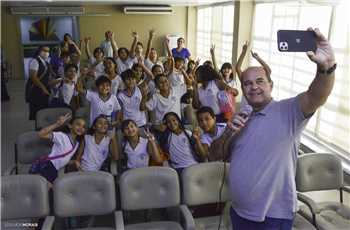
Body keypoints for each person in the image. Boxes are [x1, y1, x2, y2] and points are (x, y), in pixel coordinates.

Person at [228, 28, 336, 230]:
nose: (254, 87)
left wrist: (327, 68)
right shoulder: (240, 118)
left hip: (273, 216)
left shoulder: (289, 111)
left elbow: (316, 95)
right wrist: (228, 132)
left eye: (260, 81)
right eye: (247, 83)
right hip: (239, 211)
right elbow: (216, 154)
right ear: (242, 90)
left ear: (271, 85)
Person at [32, 113, 85, 184]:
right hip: (45, 167)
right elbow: (41, 134)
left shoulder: (77, 144)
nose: (81, 128)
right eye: (78, 124)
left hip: (53, 171)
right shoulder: (62, 136)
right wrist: (57, 124)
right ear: (70, 125)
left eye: (83, 126)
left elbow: (62, 160)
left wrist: (74, 162)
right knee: (48, 192)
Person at [25, 46, 52, 120]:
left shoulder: (46, 62)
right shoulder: (35, 61)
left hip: (44, 89)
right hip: (36, 90)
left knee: (43, 109)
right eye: (44, 50)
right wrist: (43, 88)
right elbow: (33, 77)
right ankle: (39, 128)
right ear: (39, 51)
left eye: (48, 51)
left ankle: (42, 125)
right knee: (38, 111)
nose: (47, 53)